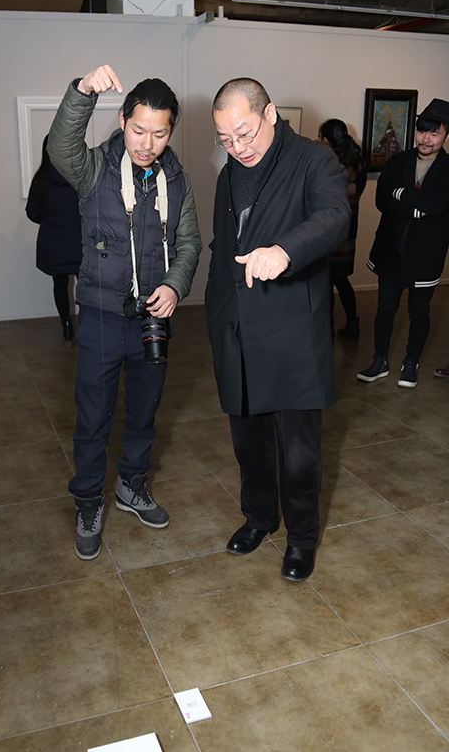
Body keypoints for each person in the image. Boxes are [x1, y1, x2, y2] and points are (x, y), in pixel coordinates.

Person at [47, 64, 201, 560]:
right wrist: (82, 91)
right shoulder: (94, 168)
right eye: (138, 130)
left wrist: (175, 286)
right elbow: (60, 148)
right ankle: (88, 501)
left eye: (159, 133)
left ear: (171, 131)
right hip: (100, 317)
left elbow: (189, 242)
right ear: (122, 121)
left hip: (153, 319)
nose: (147, 144)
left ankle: (132, 487)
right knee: (94, 417)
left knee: (144, 412)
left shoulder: (176, 179)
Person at [205, 78, 349, 581]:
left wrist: (285, 250)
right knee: (249, 443)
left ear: (269, 115)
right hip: (237, 330)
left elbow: (334, 216)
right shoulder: (229, 172)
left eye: (244, 133)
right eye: (225, 139)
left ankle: (302, 539)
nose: (237, 147)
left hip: (290, 331)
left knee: (299, 453)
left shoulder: (313, 159)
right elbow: (224, 244)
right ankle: (260, 517)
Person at [357, 98, 449, 389]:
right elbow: (382, 200)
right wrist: (417, 206)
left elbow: (437, 205)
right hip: (390, 250)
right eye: (422, 131)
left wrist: (402, 194)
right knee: (385, 308)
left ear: (446, 135)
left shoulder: (448, 168)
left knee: (419, 311)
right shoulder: (398, 161)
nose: (426, 139)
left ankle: (411, 363)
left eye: (434, 133)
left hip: (426, 253)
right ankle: (380, 361)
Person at [25, 135, 82, 342]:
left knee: (60, 285)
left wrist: (49, 221)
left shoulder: (41, 179)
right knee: (85, 286)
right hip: (80, 244)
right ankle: (86, 325)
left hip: (53, 245)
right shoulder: (80, 177)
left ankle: (66, 326)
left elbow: (32, 213)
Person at [319, 119, 367, 338]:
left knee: (327, 280)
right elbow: (355, 190)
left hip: (331, 228)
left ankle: (327, 328)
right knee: (341, 278)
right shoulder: (357, 159)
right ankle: (352, 324)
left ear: (326, 140)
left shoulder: (329, 161)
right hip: (349, 228)